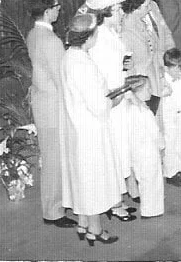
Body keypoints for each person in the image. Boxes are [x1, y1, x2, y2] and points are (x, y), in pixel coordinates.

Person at [60, 13, 134, 246]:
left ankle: (83, 222)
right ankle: (95, 228)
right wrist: (116, 99)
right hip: (91, 128)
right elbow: (98, 105)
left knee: (82, 176)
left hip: (78, 125)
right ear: (89, 37)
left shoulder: (70, 56)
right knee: (93, 178)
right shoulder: (83, 64)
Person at [86, 0, 138, 222]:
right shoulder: (101, 38)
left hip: (120, 96)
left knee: (121, 149)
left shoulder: (110, 33)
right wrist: (117, 95)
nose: (121, 14)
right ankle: (114, 204)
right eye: (117, 10)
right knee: (115, 151)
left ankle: (118, 198)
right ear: (106, 13)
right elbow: (104, 75)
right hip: (113, 100)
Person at [26, 0, 75, 229]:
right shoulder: (50, 40)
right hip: (53, 106)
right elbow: (61, 79)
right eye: (56, 6)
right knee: (54, 161)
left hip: (43, 103)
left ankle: (56, 205)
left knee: (53, 158)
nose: (59, 9)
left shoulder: (34, 33)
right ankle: (53, 211)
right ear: (47, 11)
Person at [121, 0, 167, 115]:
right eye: (146, 6)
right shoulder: (126, 32)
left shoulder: (140, 22)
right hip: (142, 87)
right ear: (135, 7)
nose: (149, 9)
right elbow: (129, 68)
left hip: (153, 78)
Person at [159, 48, 181, 187]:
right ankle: (170, 173)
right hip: (171, 117)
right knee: (171, 145)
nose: (178, 71)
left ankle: (179, 170)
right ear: (166, 68)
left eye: (180, 68)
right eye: (175, 68)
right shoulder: (164, 81)